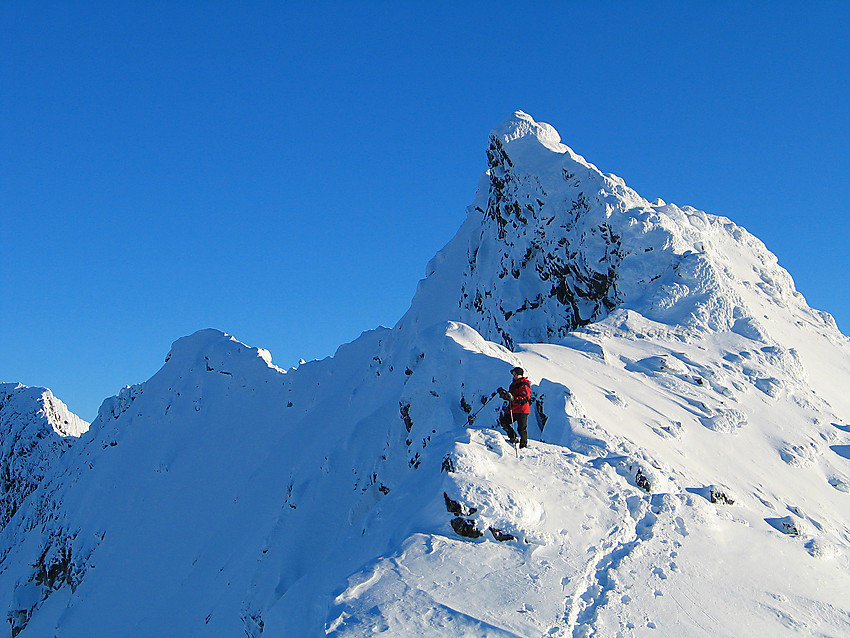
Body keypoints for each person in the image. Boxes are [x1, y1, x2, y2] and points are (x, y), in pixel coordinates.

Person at [498, 367, 531, 448]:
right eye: (513, 374)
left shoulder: (524, 385)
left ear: (519, 375)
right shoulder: (514, 385)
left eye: (515, 374)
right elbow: (511, 397)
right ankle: (513, 438)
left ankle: (523, 445)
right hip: (514, 409)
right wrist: (503, 395)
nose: (514, 375)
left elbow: (525, 398)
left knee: (521, 429)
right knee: (504, 422)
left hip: (522, 410)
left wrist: (513, 398)